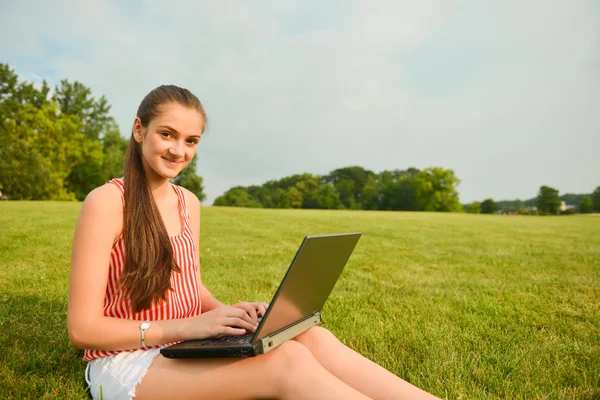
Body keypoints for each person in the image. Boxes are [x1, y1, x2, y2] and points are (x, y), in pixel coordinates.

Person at [67, 85, 439, 400]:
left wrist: (230, 315)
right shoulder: (107, 202)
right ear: (138, 130)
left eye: (190, 141)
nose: (178, 151)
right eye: (167, 134)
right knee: (287, 363)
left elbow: (188, 286)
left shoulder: (188, 203)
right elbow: (83, 330)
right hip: (126, 362)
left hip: (180, 347)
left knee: (312, 337)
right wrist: (191, 327)